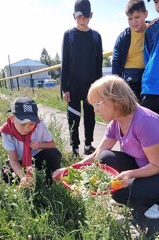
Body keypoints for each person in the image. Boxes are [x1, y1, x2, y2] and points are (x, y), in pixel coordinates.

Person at [54, 75, 159, 218]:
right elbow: (98, 153)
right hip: (143, 165)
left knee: (121, 194)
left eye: (97, 105)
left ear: (114, 99)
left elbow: (157, 165)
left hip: (157, 170)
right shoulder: (115, 123)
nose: (95, 111)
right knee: (104, 158)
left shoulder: (145, 122)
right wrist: (69, 170)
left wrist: (130, 175)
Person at [61, 0, 103, 157]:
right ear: (74, 16)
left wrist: (99, 89)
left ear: (91, 15)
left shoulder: (96, 37)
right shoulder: (69, 35)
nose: (82, 21)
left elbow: (98, 65)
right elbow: (64, 63)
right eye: (79, 17)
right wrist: (64, 88)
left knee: (90, 117)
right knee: (73, 117)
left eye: (85, 17)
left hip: (91, 87)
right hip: (73, 86)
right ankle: (74, 148)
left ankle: (88, 145)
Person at [0, 96, 62, 187]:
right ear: (12, 118)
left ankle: (50, 183)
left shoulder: (39, 125)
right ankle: (23, 187)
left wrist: (40, 145)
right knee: (6, 173)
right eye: (22, 124)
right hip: (19, 162)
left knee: (54, 154)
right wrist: (23, 177)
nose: (26, 128)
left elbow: (52, 144)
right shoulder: (6, 131)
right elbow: (13, 160)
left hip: (36, 159)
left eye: (31, 124)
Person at [112, 0, 148, 101]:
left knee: (148, 109)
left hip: (147, 74)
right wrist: (117, 82)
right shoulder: (124, 36)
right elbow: (115, 59)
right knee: (131, 108)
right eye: (130, 19)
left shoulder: (152, 29)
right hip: (129, 76)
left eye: (137, 17)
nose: (133, 22)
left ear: (146, 14)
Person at [140, 0, 159, 115]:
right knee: (148, 130)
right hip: (151, 88)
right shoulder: (152, 29)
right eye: (156, 1)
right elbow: (147, 58)